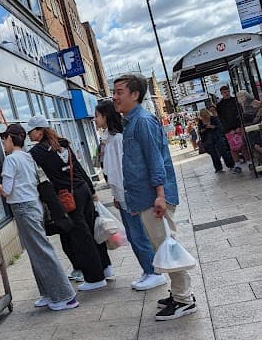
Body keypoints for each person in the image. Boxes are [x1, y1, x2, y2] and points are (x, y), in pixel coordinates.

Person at [113, 74, 196, 321]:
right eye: (114, 92)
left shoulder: (143, 121)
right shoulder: (131, 122)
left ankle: (184, 300)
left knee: (167, 246)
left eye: (119, 92)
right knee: (161, 246)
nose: (114, 97)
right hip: (145, 198)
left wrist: (160, 195)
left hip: (154, 199)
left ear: (135, 94)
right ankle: (179, 293)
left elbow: (155, 160)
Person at [0, 123, 78, 312]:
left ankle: (65, 296)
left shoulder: (11, 159)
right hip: (32, 205)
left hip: (24, 208)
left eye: (4, 139)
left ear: (10, 138)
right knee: (36, 251)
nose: (3, 143)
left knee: (41, 251)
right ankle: (48, 293)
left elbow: (7, 190)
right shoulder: (26, 156)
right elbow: (20, 185)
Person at [26, 115, 114, 292]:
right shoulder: (63, 143)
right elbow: (79, 168)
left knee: (81, 237)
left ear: (40, 131)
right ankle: (105, 268)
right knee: (92, 229)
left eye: (31, 131)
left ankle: (95, 278)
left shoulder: (37, 152)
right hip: (83, 190)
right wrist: (92, 190)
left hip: (68, 197)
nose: (29, 135)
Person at [94, 100, 165, 291]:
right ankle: (147, 269)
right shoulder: (109, 139)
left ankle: (154, 272)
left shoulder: (117, 139)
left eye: (97, 116)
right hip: (122, 195)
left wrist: (125, 195)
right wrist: (116, 196)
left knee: (138, 235)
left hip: (128, 195)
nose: (95, 119)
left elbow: (123, 170)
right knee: (133, 236)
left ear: (106, 116)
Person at [198, 108, 235, 173]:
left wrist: (212, 126)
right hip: (208, 140)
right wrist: (203, 129)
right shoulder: (200, 122)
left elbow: (220, 127)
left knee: (223, 152)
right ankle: (218, 168)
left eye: (205, 116)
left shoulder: (213, 119)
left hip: (217, 137)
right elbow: (200, 131)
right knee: (214, 155)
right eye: (202, 116)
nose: (204, 118)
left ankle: (230, 165)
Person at [216, 85, 244, 171]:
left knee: (243, 146)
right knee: (233, 148)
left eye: (228, 91)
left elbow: (241, 113)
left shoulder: (235, 100)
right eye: (224, 92)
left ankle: (249, 162)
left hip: (239, 127)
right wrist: (229, 129)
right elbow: (221, 119)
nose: (227, 93)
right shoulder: (220, 105)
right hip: (228, 130)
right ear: (221, 93)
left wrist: (239, 126)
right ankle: (237, 165)